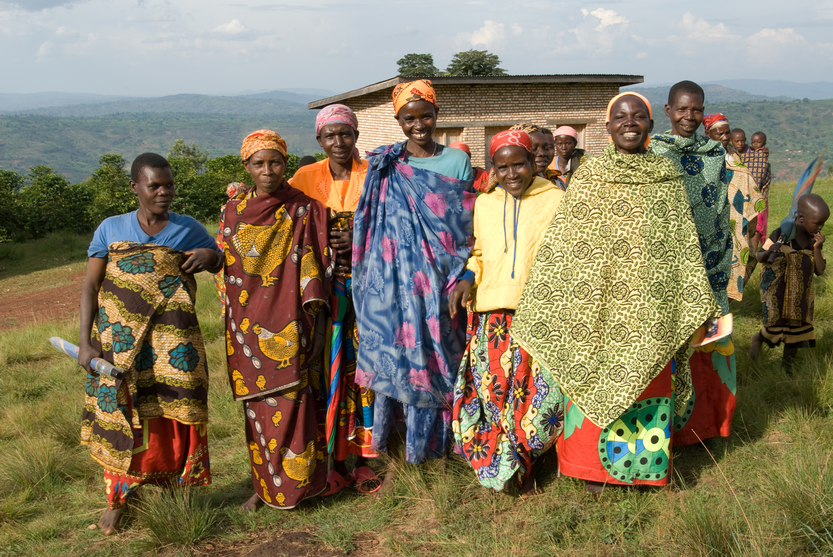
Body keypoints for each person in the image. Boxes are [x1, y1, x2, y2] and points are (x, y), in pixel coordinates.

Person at [511, 92, 718, 491]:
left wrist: (687, 296)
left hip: (650, 312)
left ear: (650, 125)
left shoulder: (666, 176)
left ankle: (642, 471)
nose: (629, 123)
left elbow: (680, 246)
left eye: (638, 117)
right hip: (596, 309)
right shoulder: (590, 175)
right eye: (620, 117)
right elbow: (569, 245)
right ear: (607, 128)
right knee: (592, 374)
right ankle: (591, 470)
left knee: (647, 386)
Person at [79, 153, 222, 534]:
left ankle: (176, 485)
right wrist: (84, 342)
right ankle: (118, 498)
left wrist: (211, 256)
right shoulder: (111, 229)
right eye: (154, 185)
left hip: (171, 345)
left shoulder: (187, 228)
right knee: (122, 410)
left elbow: (221, 261)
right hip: (118, 343)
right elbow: (91, 287)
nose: (164, 192)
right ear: (135, 188)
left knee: (172, 411)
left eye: (169, 185)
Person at [351, 79, 475, 478]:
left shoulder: (456, 161)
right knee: (401, 357)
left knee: (441, 357)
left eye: (426, 116)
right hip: (395, 285)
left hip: (441, 282)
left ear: (437, 116)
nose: (418, 124)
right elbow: (371, 225)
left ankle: (443, 447)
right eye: (409, 118)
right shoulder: (386, 165)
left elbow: (462, 225)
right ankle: (402, 450)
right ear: (398, 120)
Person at [221, 129, 333, 511]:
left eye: (275, 162)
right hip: (246, 325)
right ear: (246, 167)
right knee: (257, 412)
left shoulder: (304, 209)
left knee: (295, 404)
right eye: (259, 163)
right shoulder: (232, 210)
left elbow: (313, 268)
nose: (267, 170)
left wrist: (316, 328)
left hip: (292, 320)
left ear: (286, 164)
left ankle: (300, 487)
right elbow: (229, 267)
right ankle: (263, 487)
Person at [449, 129, 565, 495]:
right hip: (494, 318)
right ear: (494, 169)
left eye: (519, 164)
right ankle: (509, 468)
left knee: (538, 397)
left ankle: (532, 460)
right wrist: (468, 278)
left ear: (533, 163)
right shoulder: (485, 204)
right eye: (503, 167)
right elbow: (480, 254)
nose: (512, 174)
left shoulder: (556, 199)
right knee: (495, 396)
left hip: (539, 313)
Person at [288, 104, 379, 494]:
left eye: (345, 133)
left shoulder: (375, 173)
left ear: (356, 136)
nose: (338, 142)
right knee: (329, 366)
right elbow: (282, 219)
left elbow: (394, 223)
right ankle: (334, 460)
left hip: (372, 288)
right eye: (330, 135)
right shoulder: (305, 178)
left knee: (367, 368)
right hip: (323, 292)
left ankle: (365, 458)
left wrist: (360, 236)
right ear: (319, 140)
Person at [650, 81, 736, 447]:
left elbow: (720, 210)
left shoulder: (715, 152)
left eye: (697, 110)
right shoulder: (652, 151)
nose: (690, 116)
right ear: (668, 111)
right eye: (682, 109)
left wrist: (720, 260)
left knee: (709, 343)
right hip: (668, 265)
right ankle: (671, 431)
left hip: (711, 261)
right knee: (671, 345)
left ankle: (711, 425)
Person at [750, 194, 828, 371]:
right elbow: (761, 257)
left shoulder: (814, 240)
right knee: (774, 323)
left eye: (823, 223)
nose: (820, 227)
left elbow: (820, 270)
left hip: (801, 294)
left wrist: (817, 248)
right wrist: (772, 250)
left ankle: (787, 367)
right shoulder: (781, 234)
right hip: (777, 290)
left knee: (797, 331)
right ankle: (759, 339)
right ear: (801, 218)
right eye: (817, 223)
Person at [703, 113, 764, 302]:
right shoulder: (703, 157)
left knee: (739, 260)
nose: (724, 137)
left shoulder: (733, 156)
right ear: (708, 134)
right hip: (711, 223)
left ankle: (725, 306)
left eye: (726, 133)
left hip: (736, 222)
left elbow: (745, 183)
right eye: (718, 133)